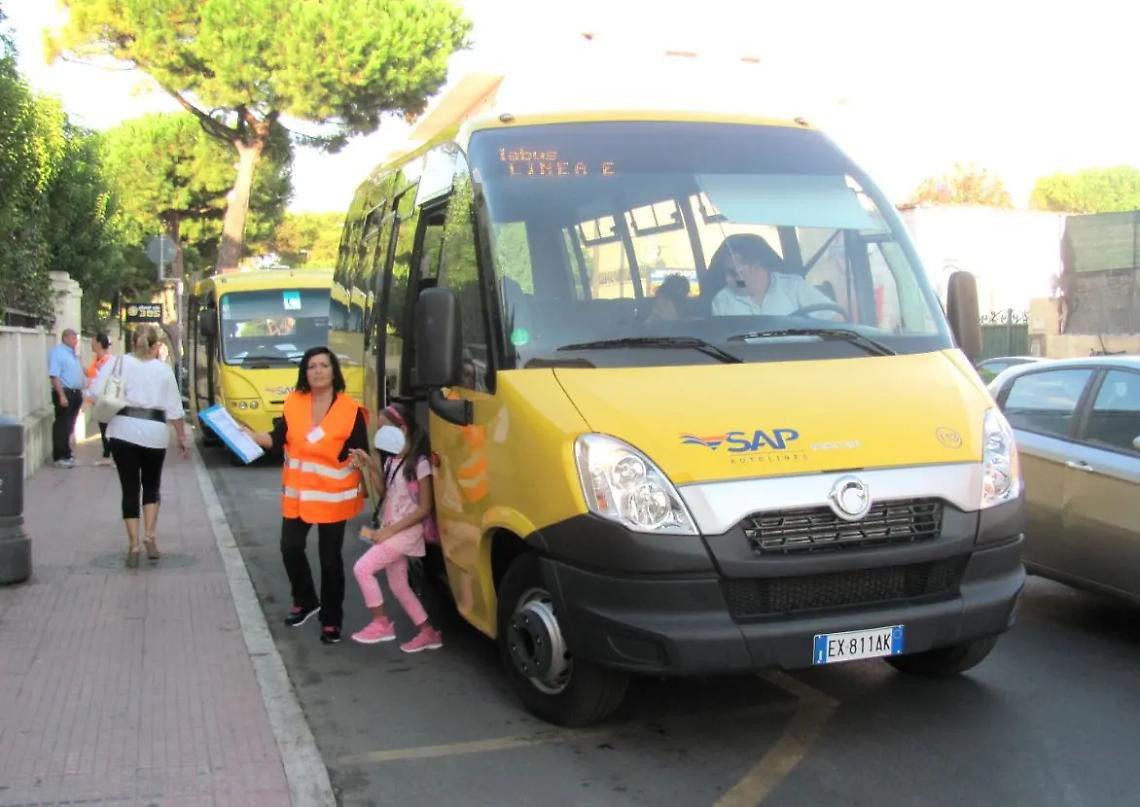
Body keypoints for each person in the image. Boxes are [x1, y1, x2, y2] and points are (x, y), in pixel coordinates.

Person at [243, 347, 369, 645]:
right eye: (312, 366)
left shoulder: (350, 409)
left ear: (334, 371)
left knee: (330, 562)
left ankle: (332, 619)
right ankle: (306, 600)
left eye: (324, 365)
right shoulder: (294, 403)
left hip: (333, 497)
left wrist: (360, 459)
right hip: (299, 495)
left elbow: (360, 450)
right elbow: (277, 440)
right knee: (290, 548)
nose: (318, 370)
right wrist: (252, 436)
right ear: (305, 372)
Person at [347, 402, 443, 653]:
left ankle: (381, 623)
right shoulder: (392, 461)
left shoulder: (420, 463)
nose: (381, 436)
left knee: (363, 568)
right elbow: (384, 494)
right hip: (392, 528)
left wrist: (388, 532)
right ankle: (429, 633)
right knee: (399, 586)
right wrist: (371, 467)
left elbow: (424, 508)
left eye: (385, 429)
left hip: (406, 532)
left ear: (403, 428)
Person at [90, 325, 189, 567]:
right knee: (152, 485)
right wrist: (182, 438)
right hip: (154, 432)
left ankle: (133, 545)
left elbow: (95, 391)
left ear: (133, 343)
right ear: (156, 347)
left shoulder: (117, 363)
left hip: (122, 431)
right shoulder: (164, 370)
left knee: (130, 488)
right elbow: (175, 409)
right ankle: (150, 536)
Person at [709, 234, 836, 317]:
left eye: (734, 273)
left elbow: (836, 320)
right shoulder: (722, 301)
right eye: (726, 272)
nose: (727, 279)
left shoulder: (794, 287)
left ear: (757, 267)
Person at [48, 328, 86, 468]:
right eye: (73, 338)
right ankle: (59, 457)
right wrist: (61, 395)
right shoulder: (58, 353)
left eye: (76, 338)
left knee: (70, 425)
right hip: (65, 392)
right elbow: (54, 375)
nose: (76, 341)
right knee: (62, 425)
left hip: (76, 393)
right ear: (65, 338)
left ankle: (67, 454)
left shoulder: (73, 354)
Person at [85, 332, 114, 466]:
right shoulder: (96, 359)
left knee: (108, 427)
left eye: (92, 341)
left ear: (98, 343)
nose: (91, 344)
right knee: (103, 427)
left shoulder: (108, 360)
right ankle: (107, 454)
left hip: (106, 399)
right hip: (96, 398)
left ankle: (110, 454)